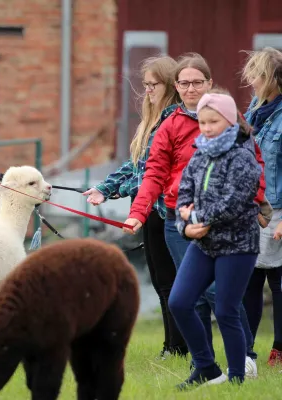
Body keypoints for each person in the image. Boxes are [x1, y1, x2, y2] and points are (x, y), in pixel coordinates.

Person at [121, 53, 264, 376]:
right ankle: (205, 364)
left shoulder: (230, 119)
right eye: (183, 83)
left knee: (220, 295)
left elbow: (255, 165)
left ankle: (245, 358)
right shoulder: (170, 124)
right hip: (180, 221)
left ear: (209, 84)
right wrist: (138, 213)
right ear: (177, 86)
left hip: (227, 223)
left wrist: (258, 203)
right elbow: (156, 172)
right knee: (190, 296)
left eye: (197, 82)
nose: (189, 89)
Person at [82, 55, 187, 359]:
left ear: (169, 86)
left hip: (161, 209)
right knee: (159, 280)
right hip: (146, 210)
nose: (148, 91)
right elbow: (136, 166)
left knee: (169, 281)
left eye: (153, 84)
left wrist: (118, 193)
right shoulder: (151, 122)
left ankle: (178, 346)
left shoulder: (173, 120)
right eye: (146, 85)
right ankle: (172, 345)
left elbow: (154, 175)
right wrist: (105, 188)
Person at [168, 92, 261, 388]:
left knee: (225, 310)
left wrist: (196, 219)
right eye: (203, 122)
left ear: (230, 120)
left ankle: (235, 380)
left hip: (238, 245)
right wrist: (185, 226)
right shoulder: (200, 152)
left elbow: (234, 202)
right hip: (203, 243)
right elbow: (184, 192)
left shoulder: (243, 155)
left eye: (213, 122)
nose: (206, 128)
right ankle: (207, 369)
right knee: (180, 302)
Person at [241, 47, 282, 367]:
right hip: (251, 208)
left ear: (271, 78)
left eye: (256, 74)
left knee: (279, 283)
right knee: (249, 280)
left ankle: (280, 349)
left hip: (279, 210)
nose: (250, 80)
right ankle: (246, 349)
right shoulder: (254, 109)